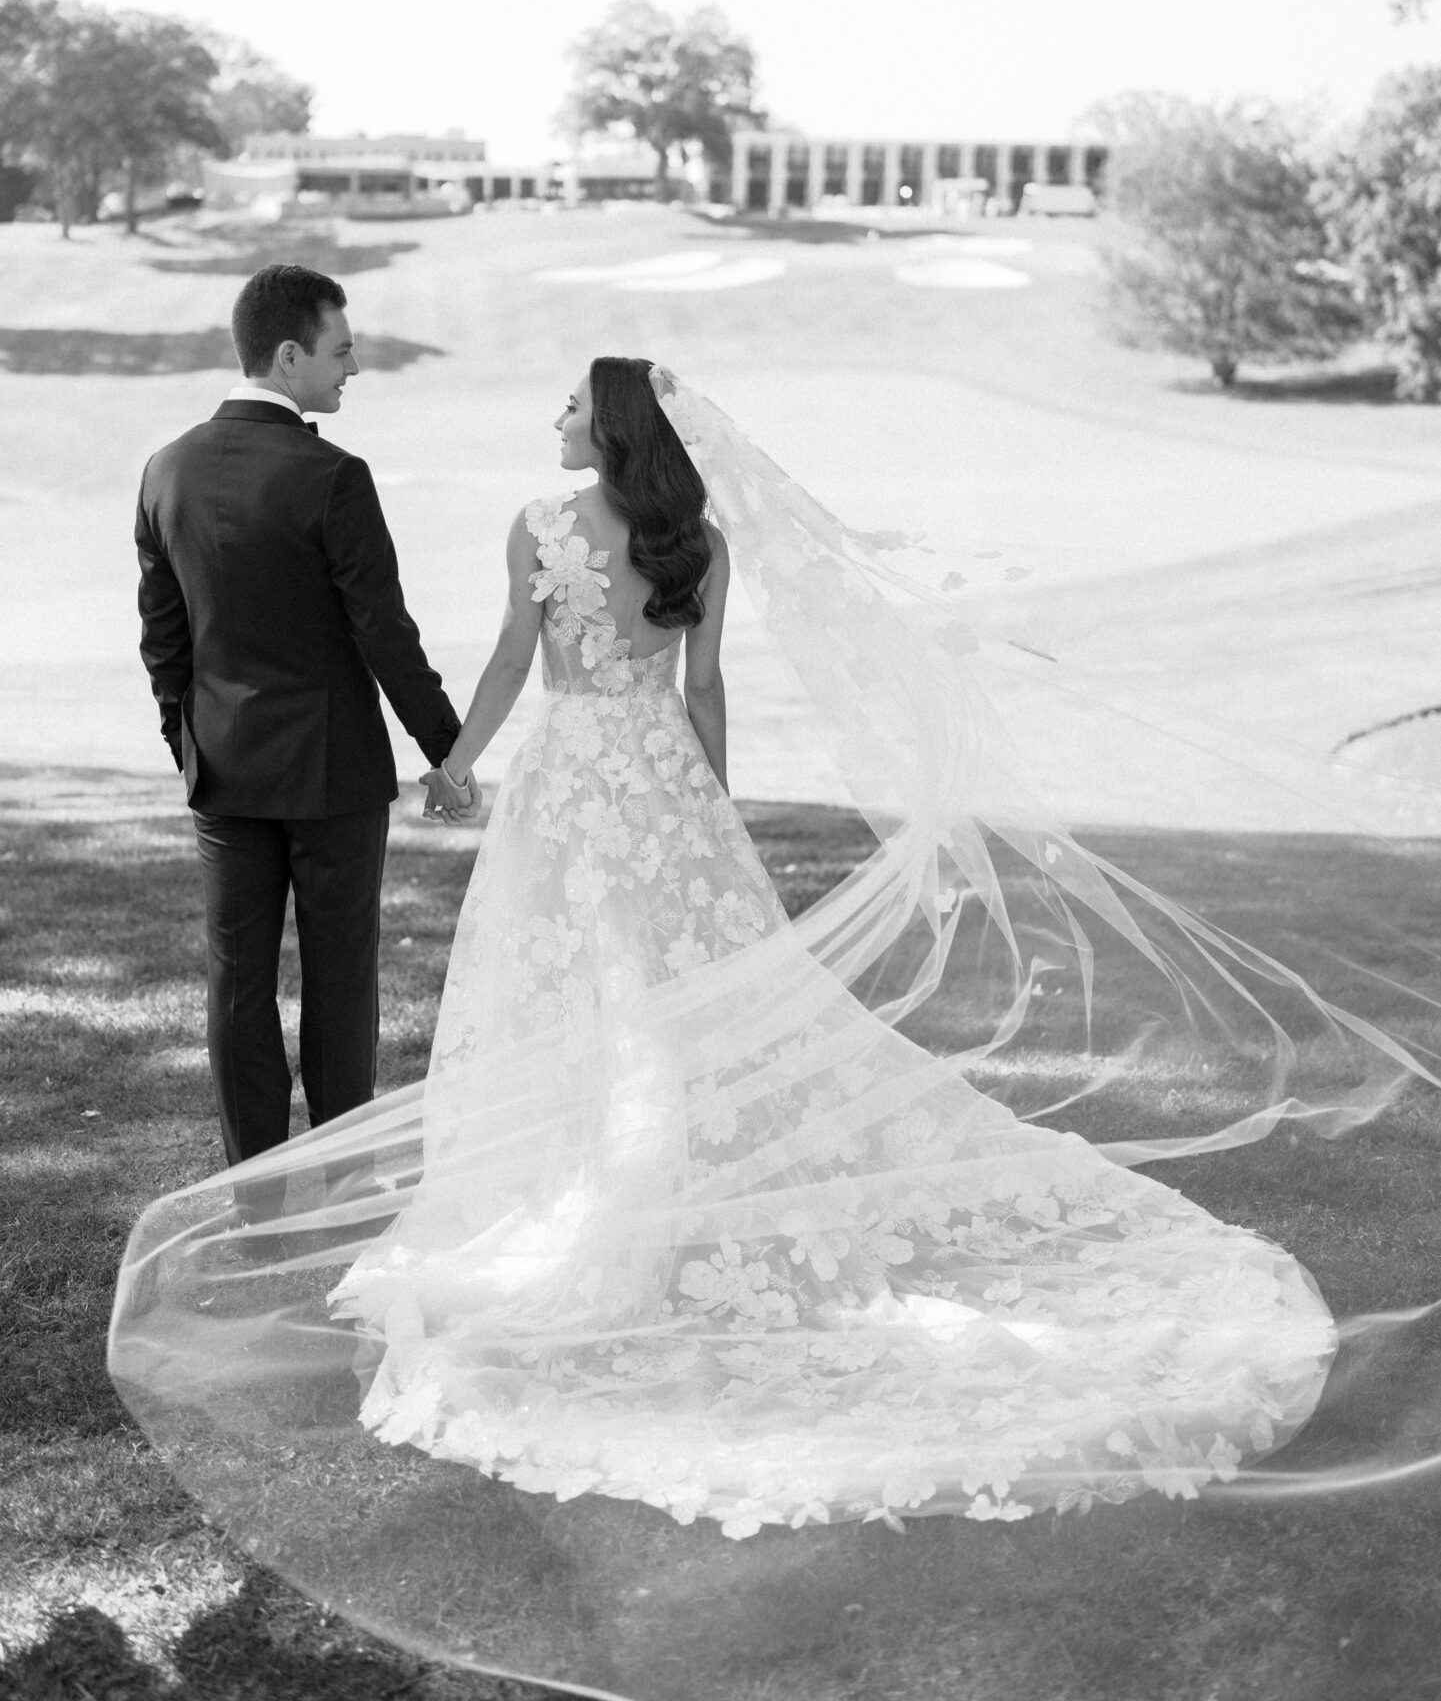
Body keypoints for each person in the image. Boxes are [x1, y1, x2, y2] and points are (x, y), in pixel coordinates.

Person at [110, 358, 1436, 1658]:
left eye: (571, 402)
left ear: (610, 426)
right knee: (684, 1013)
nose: (554, 417)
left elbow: (516, 664)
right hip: (661, 788)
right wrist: (709, 816)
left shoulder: (541, 523)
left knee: (571, 1002)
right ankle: (661, 1174)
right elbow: (701, 692)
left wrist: (453, 768)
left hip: (569, 796)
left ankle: (605, 1194)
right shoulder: (696, 540)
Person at [134, 263, 475, 1221]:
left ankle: (256, 1194)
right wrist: (444, 748)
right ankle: (337, 1183)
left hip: (223, 769)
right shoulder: (333, 475)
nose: (354, 368)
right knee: (339, 978)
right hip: (334, 775)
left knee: (236, 979)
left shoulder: (166, 468)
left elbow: (163, 640)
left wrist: (190, 747)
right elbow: (384, 632)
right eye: (341, 349)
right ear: (288, 356)